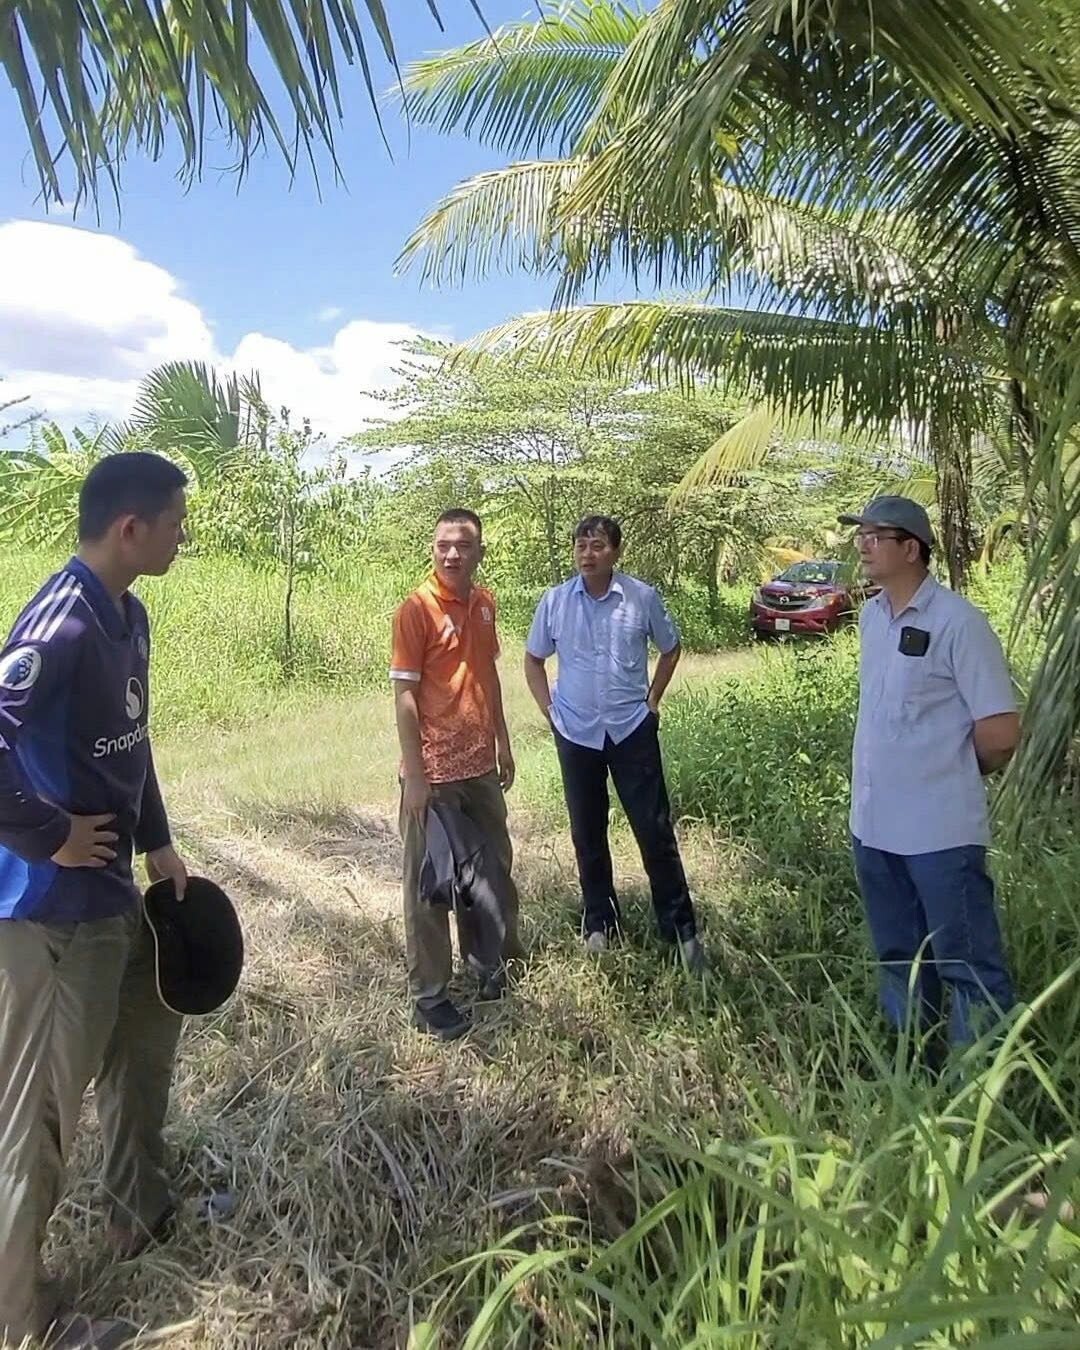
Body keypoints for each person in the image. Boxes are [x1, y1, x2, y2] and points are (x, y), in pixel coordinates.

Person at [0, 452, 191, 1350]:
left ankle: (135, 1212)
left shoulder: (131, 613)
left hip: (116, 894)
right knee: (37, 1117)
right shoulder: (59, 623)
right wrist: (49, 835)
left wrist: (156, 840)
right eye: (175, 521)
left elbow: (132, 738)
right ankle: (22, 1318)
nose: (183, 535)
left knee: (146, 1043)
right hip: (50, 915)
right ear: (130, 529)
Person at [840, 495, 1020, 1063]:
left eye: (876, 535)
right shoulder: (871, 618)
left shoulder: (958, 623)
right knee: (898, 953)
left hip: (940, 831)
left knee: (966, 961)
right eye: (860, 535)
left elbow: (1001, 731)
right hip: (874, 825)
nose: (863, 545)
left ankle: (978, 1087)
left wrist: (951, 774)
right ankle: (909, 1063)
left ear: (911, 548)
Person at [524, 516, 705, 971]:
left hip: (631, 730)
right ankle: (600, 923)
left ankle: (681, 930)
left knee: (654, 830)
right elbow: (533, 660)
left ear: (616, 552)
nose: (588, 553)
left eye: (598, 545)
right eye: (581, 545)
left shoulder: (641, 598)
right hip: (576, 733)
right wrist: (551, 712)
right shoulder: (555, 602)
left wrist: (653, 700)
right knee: (587, 832)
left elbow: (671, 647)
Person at [390, 509, 522, 1042]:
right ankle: (430, 997)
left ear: (479, 553)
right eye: (444, 545)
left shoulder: (485, 604)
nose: (452, 554)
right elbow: (403, 695)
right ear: (432, 548)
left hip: (479, 767)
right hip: (435, 775)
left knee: (492, 870)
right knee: (430, 886)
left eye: (463, 546)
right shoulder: (415, 610)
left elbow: (486, 673)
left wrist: (503, 741)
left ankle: (492, 965)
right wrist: (416, 776)